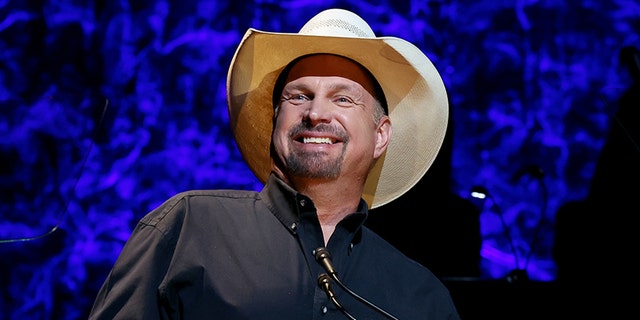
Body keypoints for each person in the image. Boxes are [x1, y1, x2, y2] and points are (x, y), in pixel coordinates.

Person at [89, 8, 460, 320]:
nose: (316, 113)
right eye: (298, 96)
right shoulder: (188, 229)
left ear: (380, 135)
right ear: (275, 122)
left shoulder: (421, 297)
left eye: (343, 99)